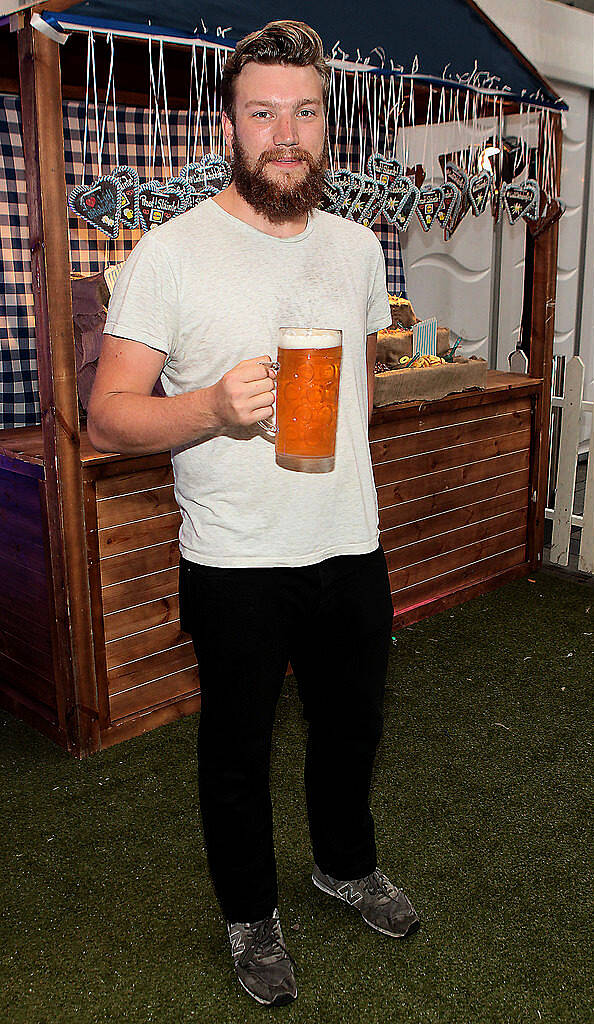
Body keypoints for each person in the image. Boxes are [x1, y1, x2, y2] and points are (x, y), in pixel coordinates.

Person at [88, 19, 419, 1009]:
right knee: (236, 746)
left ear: (329, 122)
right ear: (227, 126)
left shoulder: (360, 246)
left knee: (351, 728)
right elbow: (105, 414)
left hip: (349, 545)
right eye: (263, 112)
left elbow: (357, 389)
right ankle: (249, 912)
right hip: (234, 559)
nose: (287, 133)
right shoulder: (172, 254)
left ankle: (344, 864)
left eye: (306, 111)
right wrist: (210, 411)